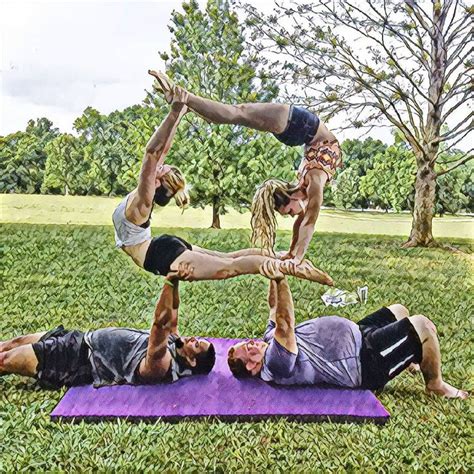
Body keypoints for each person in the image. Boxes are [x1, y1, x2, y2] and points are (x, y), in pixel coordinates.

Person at [111, 72, 333, 286]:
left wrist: (178, 109)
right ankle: (287, 258)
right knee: (230, 259)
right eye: (162, 169)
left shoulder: (144, 199)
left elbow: (158, 150)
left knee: (232, 265)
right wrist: (177, 108)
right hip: (161, 249)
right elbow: (155, 153)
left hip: (158, 255)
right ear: (156, 182)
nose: (162, 165)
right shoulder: (144, 198)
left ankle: (291, 265)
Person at [227, 275, 468, 399]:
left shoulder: (267, 341)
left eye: (245, 342)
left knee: (399, 310)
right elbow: (284, 321)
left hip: (359, 334)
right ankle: (435, 384)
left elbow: (273, 306)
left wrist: (272, 269)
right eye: (246, 349)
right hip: (364, 362)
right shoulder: (274, 365)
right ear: (251, 366)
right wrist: (281, 278)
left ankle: (411, 359)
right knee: (423, 326)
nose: (250, 343)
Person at [0, 278, 216, 388]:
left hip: (75, 360)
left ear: (192, 361)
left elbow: (159, 324)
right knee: (14, 343)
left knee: (4, 360)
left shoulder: (162, 365)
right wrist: (177, 278)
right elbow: (173, 312)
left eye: (197, 345)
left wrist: (168, 280)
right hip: (81, 338)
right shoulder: (176, 343)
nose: (194, 339)